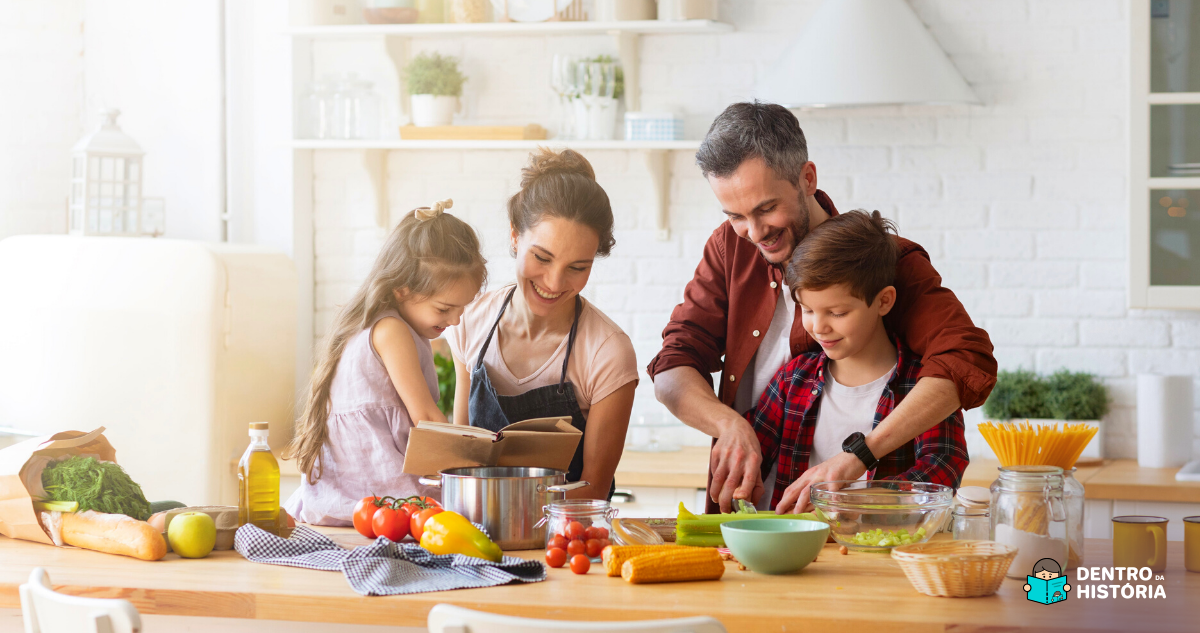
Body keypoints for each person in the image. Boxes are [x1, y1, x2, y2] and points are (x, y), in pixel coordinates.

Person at [648, 101, 996, 513]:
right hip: (760, 518)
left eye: (766, 209)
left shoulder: (884, 261)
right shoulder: (730, 247)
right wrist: (728, 425)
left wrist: (859, 459)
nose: (754, 232)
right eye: (735, 215)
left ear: (807, 178)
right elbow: (672, 367)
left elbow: (965, 359)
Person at [746, 210, 969, 514]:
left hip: (882, 553)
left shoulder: (923, 387)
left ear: (884, 301)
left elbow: (941, 471)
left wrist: (851, 503)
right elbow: (751, 455)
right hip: (796, 551)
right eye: (807, 310)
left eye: (837, 313)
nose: (819, 327)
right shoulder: (792, 379)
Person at [448, 149, 639, 501]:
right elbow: (461, 461)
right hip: (475, 535)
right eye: (542, 257)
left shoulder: (607, 351)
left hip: (565, 541)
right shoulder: (470, 321)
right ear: (515, 237)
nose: (553, 282)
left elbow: (594, 490)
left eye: (577, 267)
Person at [284, 200, 487, 525]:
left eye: (462, 308)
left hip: (349, 493)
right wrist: (468, 464)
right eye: (444, 309)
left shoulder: (381, 323)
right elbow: (424, 416)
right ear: (402, 290)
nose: (455, 320)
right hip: (379, 489)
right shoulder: (391, 330)